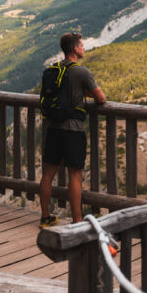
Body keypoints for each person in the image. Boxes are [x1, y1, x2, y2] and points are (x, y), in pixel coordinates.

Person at [39, 32, 106, 227]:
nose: (84, 48)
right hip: (73, 130)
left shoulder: (55, 69)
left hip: (53, 128)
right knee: (74, 175)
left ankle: (45, 216)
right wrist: (86, 93)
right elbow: (101, 98)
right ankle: (77, 221)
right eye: (82, 46)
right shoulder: (81, 72)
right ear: (75, 49)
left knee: (48, 174)